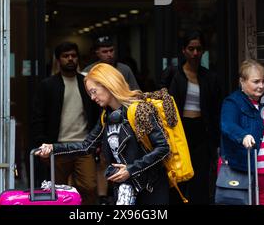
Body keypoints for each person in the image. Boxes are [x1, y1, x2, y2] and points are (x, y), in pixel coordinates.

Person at [36, 63, 171, 205]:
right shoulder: (106, 116)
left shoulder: (139, 109)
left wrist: (131, 169)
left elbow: (163, 148)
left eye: (94, 91)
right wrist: (53, 148)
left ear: (108, 85)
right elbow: (86, 146)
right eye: (90, 94)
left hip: (150, 188)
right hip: (125, 189)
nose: (92, 98)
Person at [31, 41, 100, 205]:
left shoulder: (86, 83)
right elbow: (38, 117)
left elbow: (97, 112)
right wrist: (42, 143)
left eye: (73, 56)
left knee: (89, 187)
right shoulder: (48, 85)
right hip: (58, 147)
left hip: (84, 146)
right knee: (57, 191)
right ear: (58, 59)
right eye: (65, 56)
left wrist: (98, 141)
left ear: (78, 58)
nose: (70, 59)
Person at [167, 29, 222, 204]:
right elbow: (163, 103)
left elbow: (215, 109)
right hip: (180, 130)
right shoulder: (173, 75)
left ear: (203, 50)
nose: (195, 53)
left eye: (198, 49)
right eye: (191, 49)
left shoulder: (209, 77)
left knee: (200, 178)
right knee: (179, 175)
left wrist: (216, 139)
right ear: (184, 50)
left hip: (202, 129)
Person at [83, 35, 140, 204]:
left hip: (125, 122)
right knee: (104, 161)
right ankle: (103, 198)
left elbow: (160, 149)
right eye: (104, 51)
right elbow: (86, 105)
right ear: (96, 53)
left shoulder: (124, 70)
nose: (109, 54)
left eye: (111, 50)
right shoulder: (88, 73)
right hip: (101, 122)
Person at [220, 59, 264, 205]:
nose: (261, 86)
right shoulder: (233, 102)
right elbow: (227, 125)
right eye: (256, 81)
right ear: (242, 81)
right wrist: (243, 136)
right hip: (243, 172)